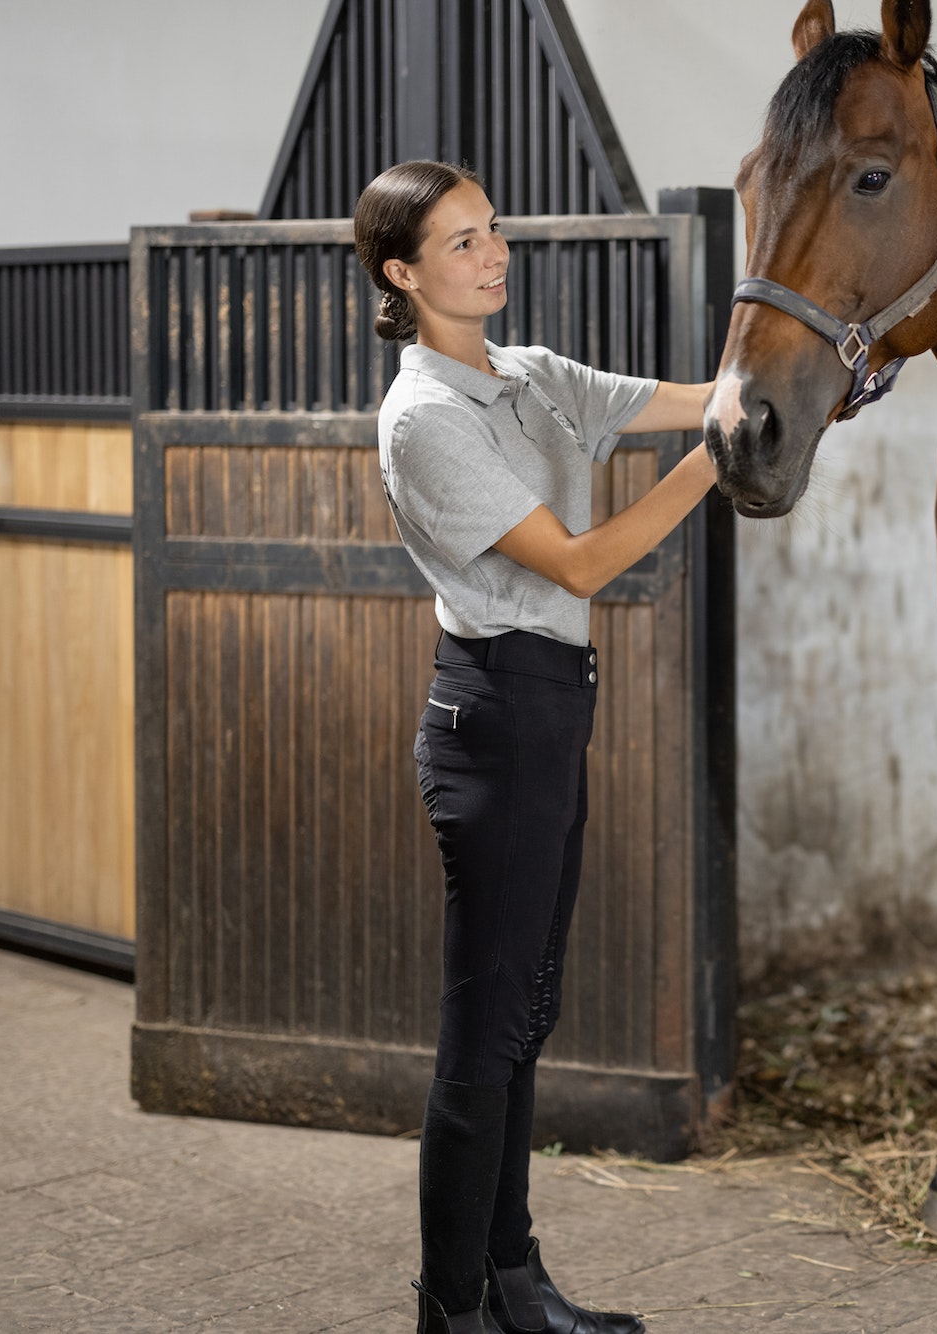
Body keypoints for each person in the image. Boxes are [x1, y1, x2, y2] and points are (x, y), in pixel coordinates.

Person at [355, 159, 716, 1334]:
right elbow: (576, 561)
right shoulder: (422, 421)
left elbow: (687, 397)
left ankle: (511, 1282)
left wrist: (803, 375)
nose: (493, 253)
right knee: (480, 1034)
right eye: (460, 243)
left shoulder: (529, 373)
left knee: (525, 1014)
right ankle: (447, 1308)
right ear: (402, 275)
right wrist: (726, 458)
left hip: (554, 703)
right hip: (496, 720)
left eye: (493, 229)